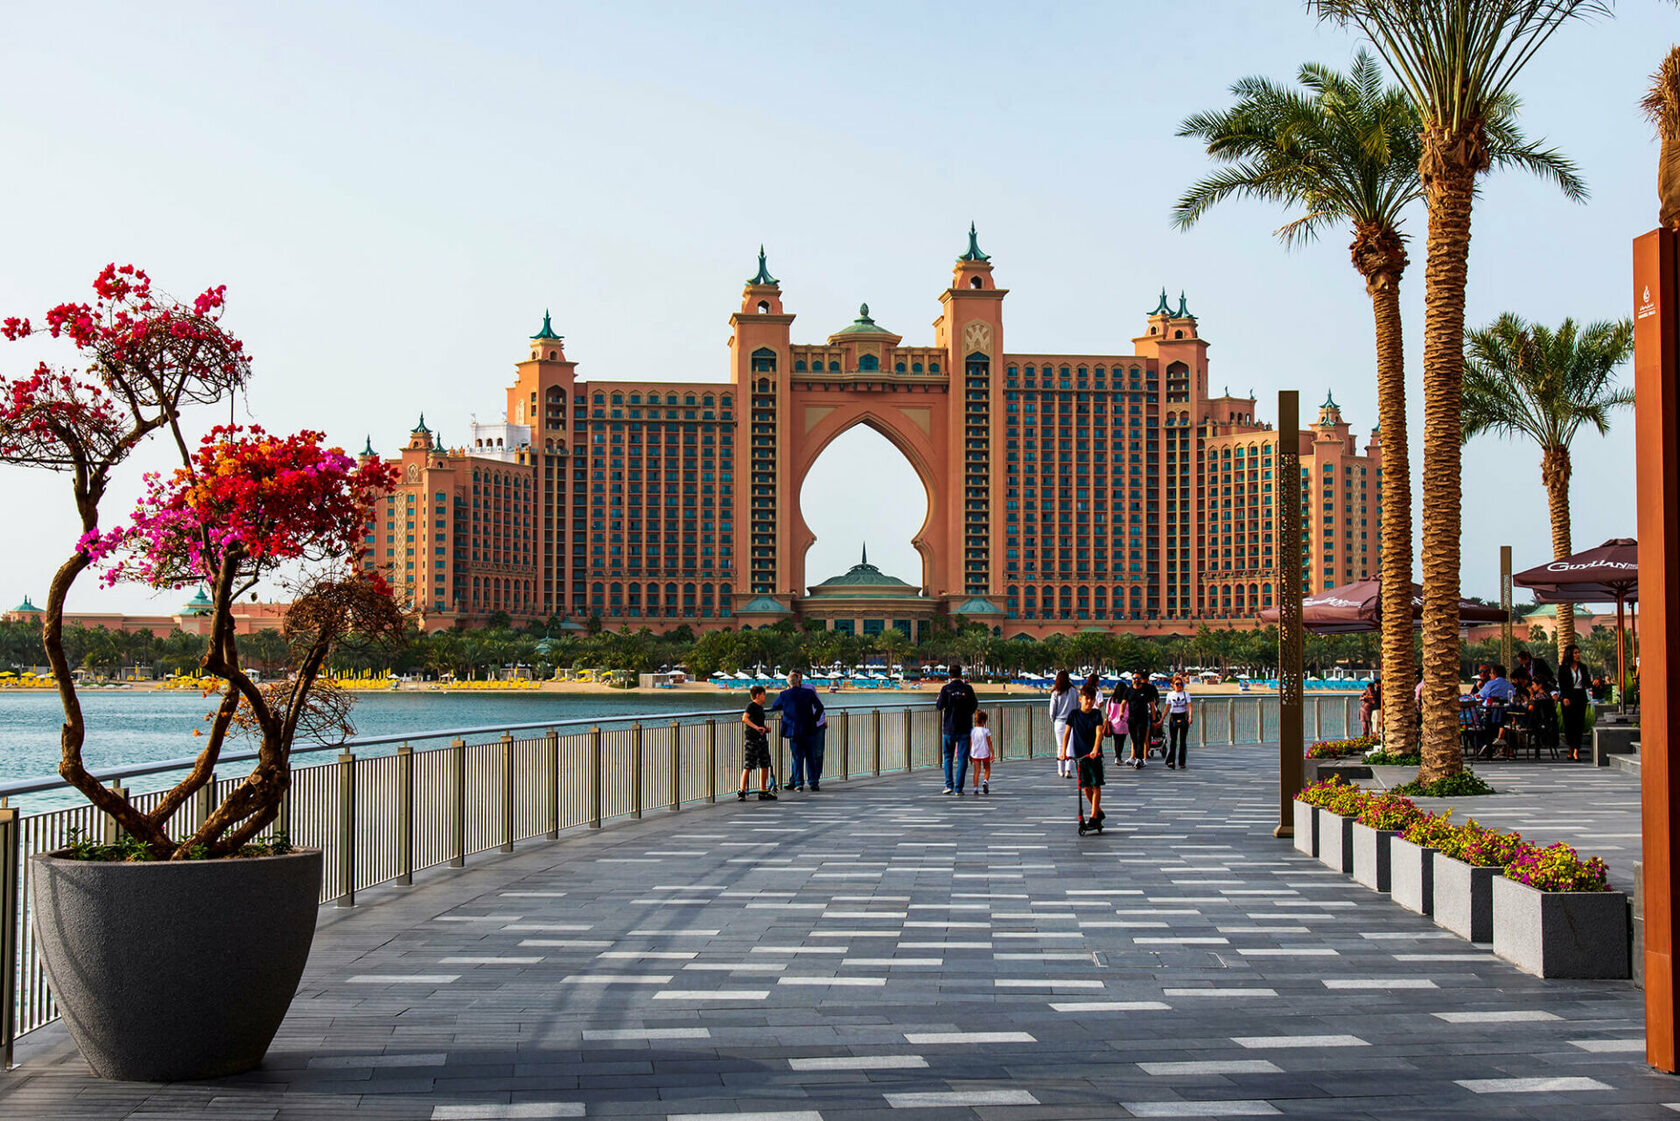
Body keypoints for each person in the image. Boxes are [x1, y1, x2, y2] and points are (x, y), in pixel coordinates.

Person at [770, 669, 824, 791]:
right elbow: (819, 707)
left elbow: (774, 706)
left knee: (797, 757)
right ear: (799, 682)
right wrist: (814, 720)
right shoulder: (808, 693)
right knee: (811, 757)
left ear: (788, 684)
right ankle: (813, 782)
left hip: (793, 730)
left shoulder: (784, 694)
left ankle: (799, 784)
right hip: (809, 729)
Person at [1063, 684, 1106, 825]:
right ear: (1080, 699)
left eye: (1091, 699)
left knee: (1096, 784)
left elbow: (1099, 733)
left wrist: (1095, 750)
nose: (1089, 701)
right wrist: (1063, 752)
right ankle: (1098, 810)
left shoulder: (1096, 715)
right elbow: (1067, 733)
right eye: (1086, 698)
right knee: (1085, 786)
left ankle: (1094, 815)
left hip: (1094, 755)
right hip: (1080, 755)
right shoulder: (1074, 715)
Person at [937, 664, 979, 795]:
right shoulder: (968, 688)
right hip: (965, 727)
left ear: (949, 675)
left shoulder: (946, 689)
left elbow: (939, 706)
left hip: (949, 728)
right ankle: (958, 788)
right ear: (961, 675)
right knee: (962, 758)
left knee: (948, 757)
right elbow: (974, 706)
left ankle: (949, 784)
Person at [738, 685, 776, 801]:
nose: (765, 697)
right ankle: (742, 790)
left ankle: (763, 790)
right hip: (752, 739)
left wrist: (764, 728)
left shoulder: (760, 708)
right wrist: (756, 728)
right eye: (764, 695)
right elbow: (745, 718)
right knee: (749, 765)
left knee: (765, 764)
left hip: (762, 739)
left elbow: (758, 721)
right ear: (758, 695)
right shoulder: (751, 706)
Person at [1558, 644, 1591, 762]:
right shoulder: (1563, 668)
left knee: (1579, 724)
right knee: (1569, 725)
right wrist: (1564, 697)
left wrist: (1594, 684)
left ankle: (1577, 750)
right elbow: (1562, 684)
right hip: (1568, 698)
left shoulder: (1583, 667)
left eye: (1578, 652)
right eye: (1575, 653)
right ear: (1570, 655)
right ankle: (1570, 748)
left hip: (1580, 697)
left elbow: (1586, 682)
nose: (1577, 655)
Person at [1123, 666, 1159, 768]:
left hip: (1143, 718)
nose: (1137, 680)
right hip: (1132, 719)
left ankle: (1141, 758)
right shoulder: (1129, 690)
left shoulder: (1147, 689)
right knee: (1134, 739)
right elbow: (1123, 703)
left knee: (1142, 738)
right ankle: (1136, 757)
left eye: (1139, 678)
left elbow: (1153, 703)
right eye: (1135, 678)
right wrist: (1121, 713)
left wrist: (1154, 718)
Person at [1049, 670, 1078, 779]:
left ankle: (1060, 769)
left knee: (1060, 746)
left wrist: (1053, 720)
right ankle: (1068, 770)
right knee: (1070, 745)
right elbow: (1078, 705)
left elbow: (1052, 710)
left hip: (1059, 722)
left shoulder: (1056, 692)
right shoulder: (1073, 691)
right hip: (1071, 721)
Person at [1163, 674, 1192, 769]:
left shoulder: (1185, 694)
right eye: (1177, 684)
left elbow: (1190, 707)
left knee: (1182, 741)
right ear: (1173, 685)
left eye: (1181, 684)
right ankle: (1171, 761)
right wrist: (1162, 719)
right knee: (1173, 740)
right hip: (1173, 717)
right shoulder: (1170, 695)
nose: (1179, 686)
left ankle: (1182, 762)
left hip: (1183, 716)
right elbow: (1167, 708)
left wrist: (1190, 717)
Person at [969, 710, 995, 794]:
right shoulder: (986, 731)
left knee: (976, 771)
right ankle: (985, 781)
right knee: (987, 768)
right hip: (985, 753)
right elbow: (989, 742)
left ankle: (975, 788)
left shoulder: (972, 730)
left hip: (975, 753)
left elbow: (970, 742)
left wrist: (970, 752)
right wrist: (992, 753)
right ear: (983, 721)